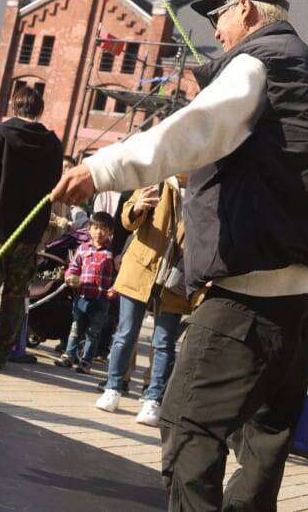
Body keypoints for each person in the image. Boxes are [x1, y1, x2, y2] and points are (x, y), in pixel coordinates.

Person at [51, 0, 308, 509]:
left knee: (187, 422)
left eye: (218, 14)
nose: (215, 29)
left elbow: (198, 131)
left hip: (255, 289)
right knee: (265, 437)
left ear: (244, 8)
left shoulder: (259, 62)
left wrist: (100, 170)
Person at [0, 85, 63, 369]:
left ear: (15, 107)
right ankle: (0, 353)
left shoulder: (2, 133)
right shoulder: (53, 143)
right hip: (30, 229)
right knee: (16, 295)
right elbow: (55, 182)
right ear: (39, 110)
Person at [95, 176, 193, 428]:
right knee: (125, 333)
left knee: (164, 342)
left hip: (176, 277)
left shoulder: (204, 189)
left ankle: (153, 398)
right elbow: (127, 219)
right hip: (140, 268)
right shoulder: (159, 180)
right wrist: (137, 207)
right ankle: (113, 387)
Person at [54, 211, 118, 373]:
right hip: (81, 297)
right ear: (89, 229)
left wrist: (114, 289)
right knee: (76, 328)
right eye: (95, 228)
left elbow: (119, 276)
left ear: (110, 232)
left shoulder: (112, 252)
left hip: (101, 299)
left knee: (93, 332)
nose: (99, 232)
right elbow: (73, 268)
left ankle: (86, 362)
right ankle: (68, 356)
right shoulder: (82, 249)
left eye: (104, 229)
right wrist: (71, 278)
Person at [46, 156, 90, 243]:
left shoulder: (68, 194)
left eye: (70, 168)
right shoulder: (49, 187)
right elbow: (44, 214)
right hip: (44, 238)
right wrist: (62, 222)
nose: (67, 170)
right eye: (65, 166)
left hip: (57, 243)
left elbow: (72, 213)